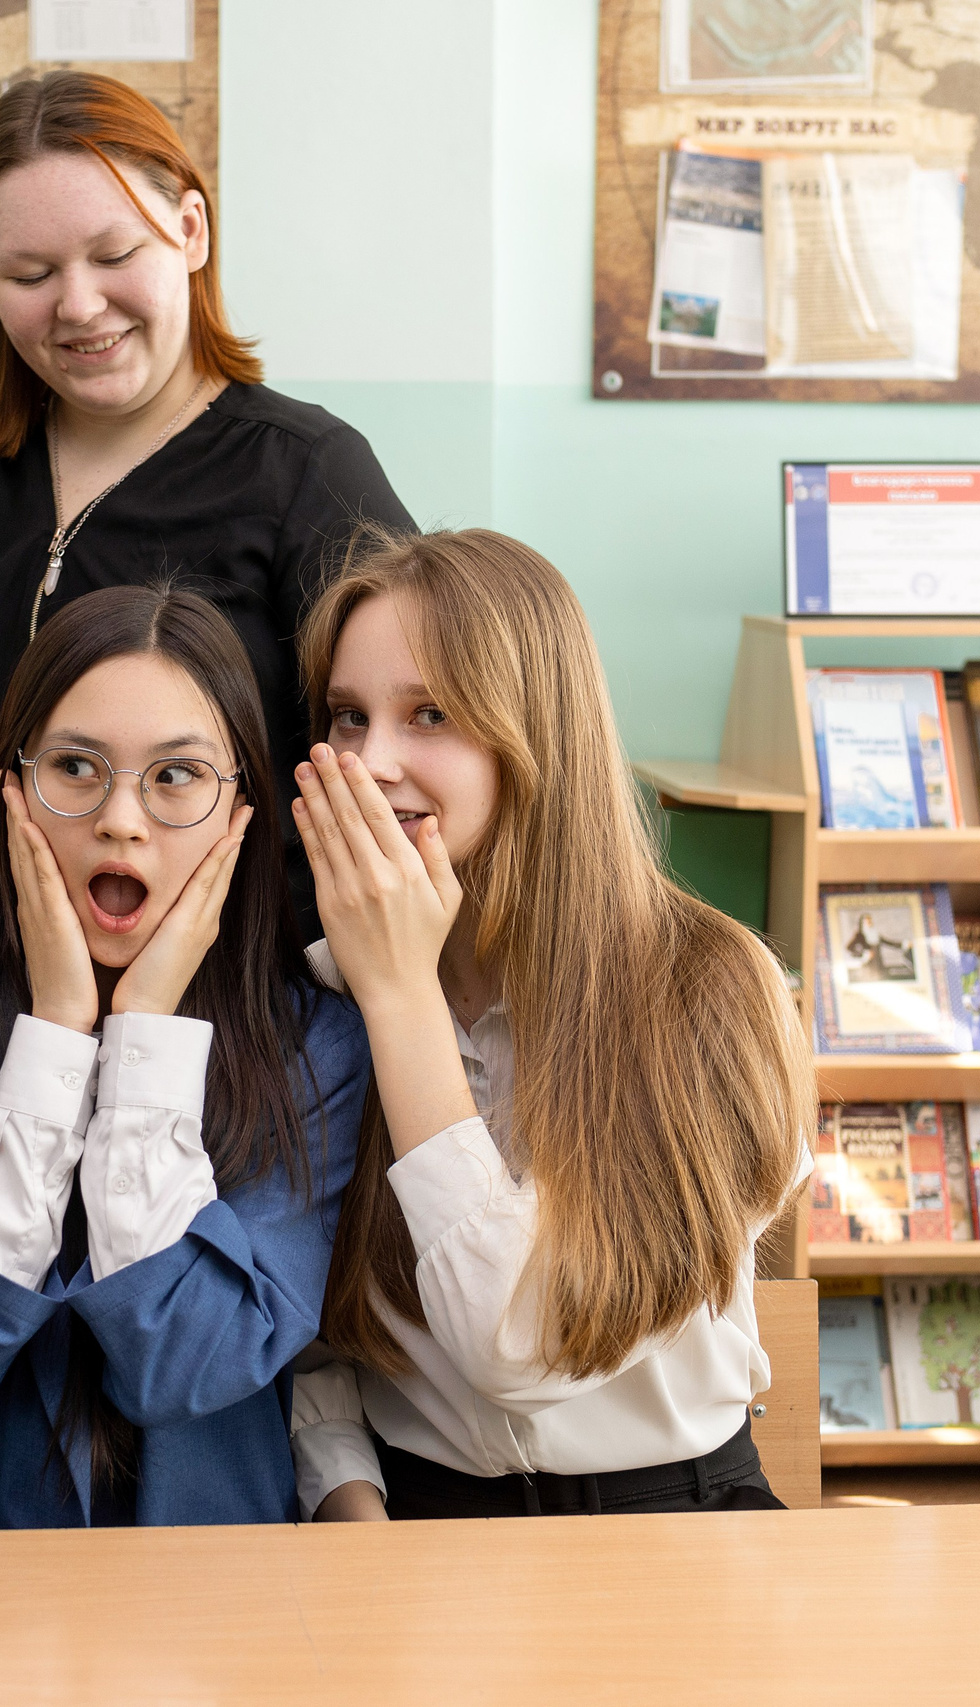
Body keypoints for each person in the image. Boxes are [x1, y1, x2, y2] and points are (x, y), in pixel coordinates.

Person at [0, 71, 412, 918]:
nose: (80, 305)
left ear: (191, 229)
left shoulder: (306, 470)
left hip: (223, 995)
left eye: (114, 255)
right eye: (30, 273)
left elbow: (408, 744)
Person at [282, 530, 812, 1522]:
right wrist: (346, 1494)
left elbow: (518, 1346)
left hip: (673, 1520)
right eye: (347, 718)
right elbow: (313, 1329)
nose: (368, 763)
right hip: (417, 1524)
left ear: (533, 731)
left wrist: (400, 1002)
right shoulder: (318, 993)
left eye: (428, 713)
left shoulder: (707, 989)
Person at [0, 585, 369, 1526]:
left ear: (242, 807)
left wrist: (146, 1026)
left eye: (176, 776)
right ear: (10, 786)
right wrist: (59, 1032)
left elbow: (188, 1360)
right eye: (76, 767)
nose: (122, 820)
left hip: (216, 1622)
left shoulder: (318, 1045)